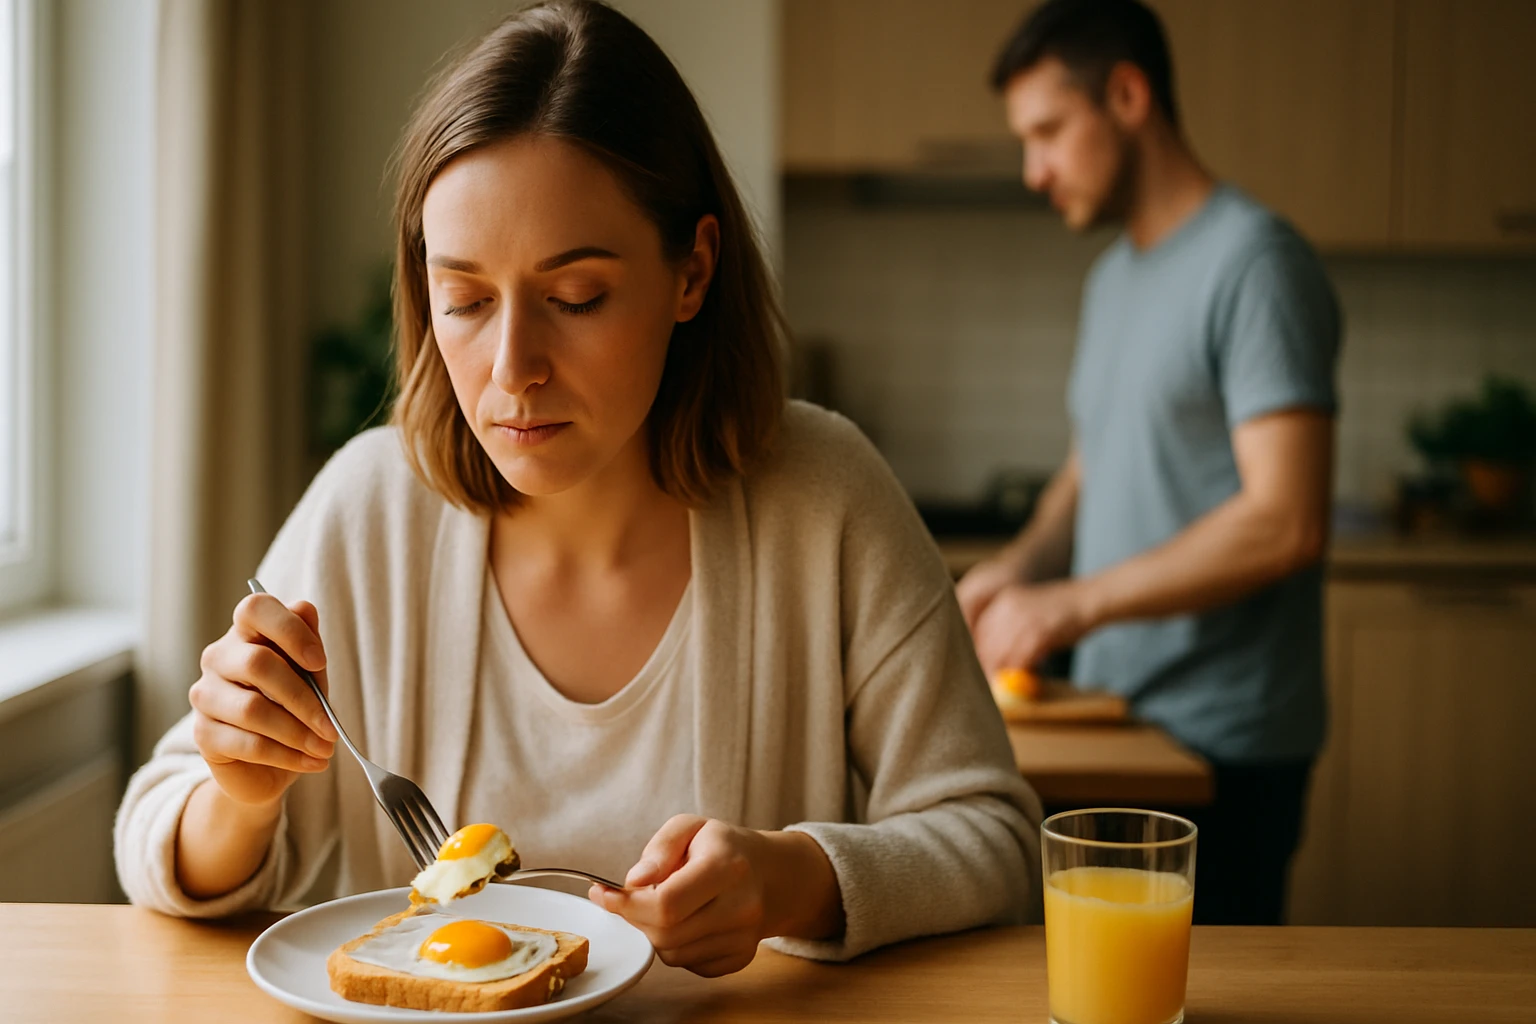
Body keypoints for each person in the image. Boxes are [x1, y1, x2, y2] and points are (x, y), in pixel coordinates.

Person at [114, 0, 1040, 976]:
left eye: (575, 298)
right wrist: (239, 791)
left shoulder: (825, 498)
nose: (513, 367)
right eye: (464, 300)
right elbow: (155, 841)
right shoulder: (369, 508)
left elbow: (996, 840)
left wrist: (795, 876)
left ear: (693, 271)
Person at [961, 0, 1339, 926]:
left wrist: (1073, 602)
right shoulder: (1115, 279)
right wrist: (1021, 567)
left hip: (1221, 748)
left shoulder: (1255, 263)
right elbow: (1088, 475)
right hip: (1121, 721)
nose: (1033, 170)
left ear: (1127, 96)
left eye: (1048, 131)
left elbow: (1285, 518)